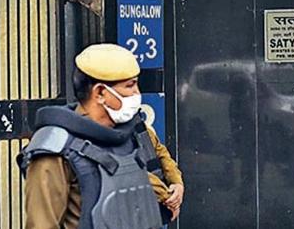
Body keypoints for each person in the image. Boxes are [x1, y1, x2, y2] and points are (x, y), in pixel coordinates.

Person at [18, 43, 183, 229]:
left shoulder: (130, 133)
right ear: (100, 93)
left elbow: (157, 158)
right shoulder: (55, 150)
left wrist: (173, 186)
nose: (137, 94)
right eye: (130, 86)